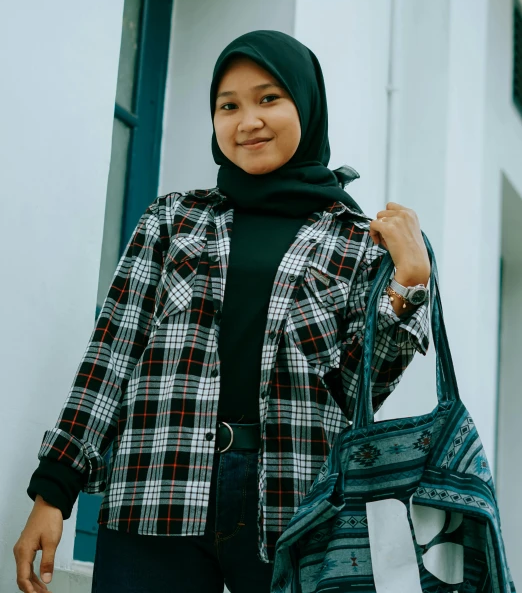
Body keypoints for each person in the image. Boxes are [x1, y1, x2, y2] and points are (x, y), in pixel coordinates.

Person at [14, 30, 431, 593]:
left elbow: (361, 391)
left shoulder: (356, 242)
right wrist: (53, 493)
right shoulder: (172, 221)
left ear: (307, 105)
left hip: (297, 502)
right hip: (156, 485)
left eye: (268, 99)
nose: (247, 120)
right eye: (227, 105)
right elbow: (111, 357)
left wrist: (408, 281)